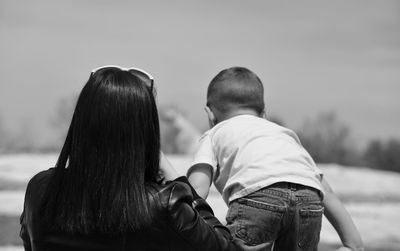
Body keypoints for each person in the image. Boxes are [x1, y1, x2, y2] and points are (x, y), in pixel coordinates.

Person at [20, 65, 263, 251]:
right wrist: (176, 177)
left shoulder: (40, 191)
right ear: (145, 132)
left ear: (81, 122)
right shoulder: (164, 204)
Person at [187, 67, 364, 251]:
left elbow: (198, 188)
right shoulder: (285, 135)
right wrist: (352, 243)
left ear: (210, 114)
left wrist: (180, 220)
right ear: (264, 113)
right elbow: (324, 189)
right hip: (309, 199)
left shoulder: (214, 133)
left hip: (257, 198)